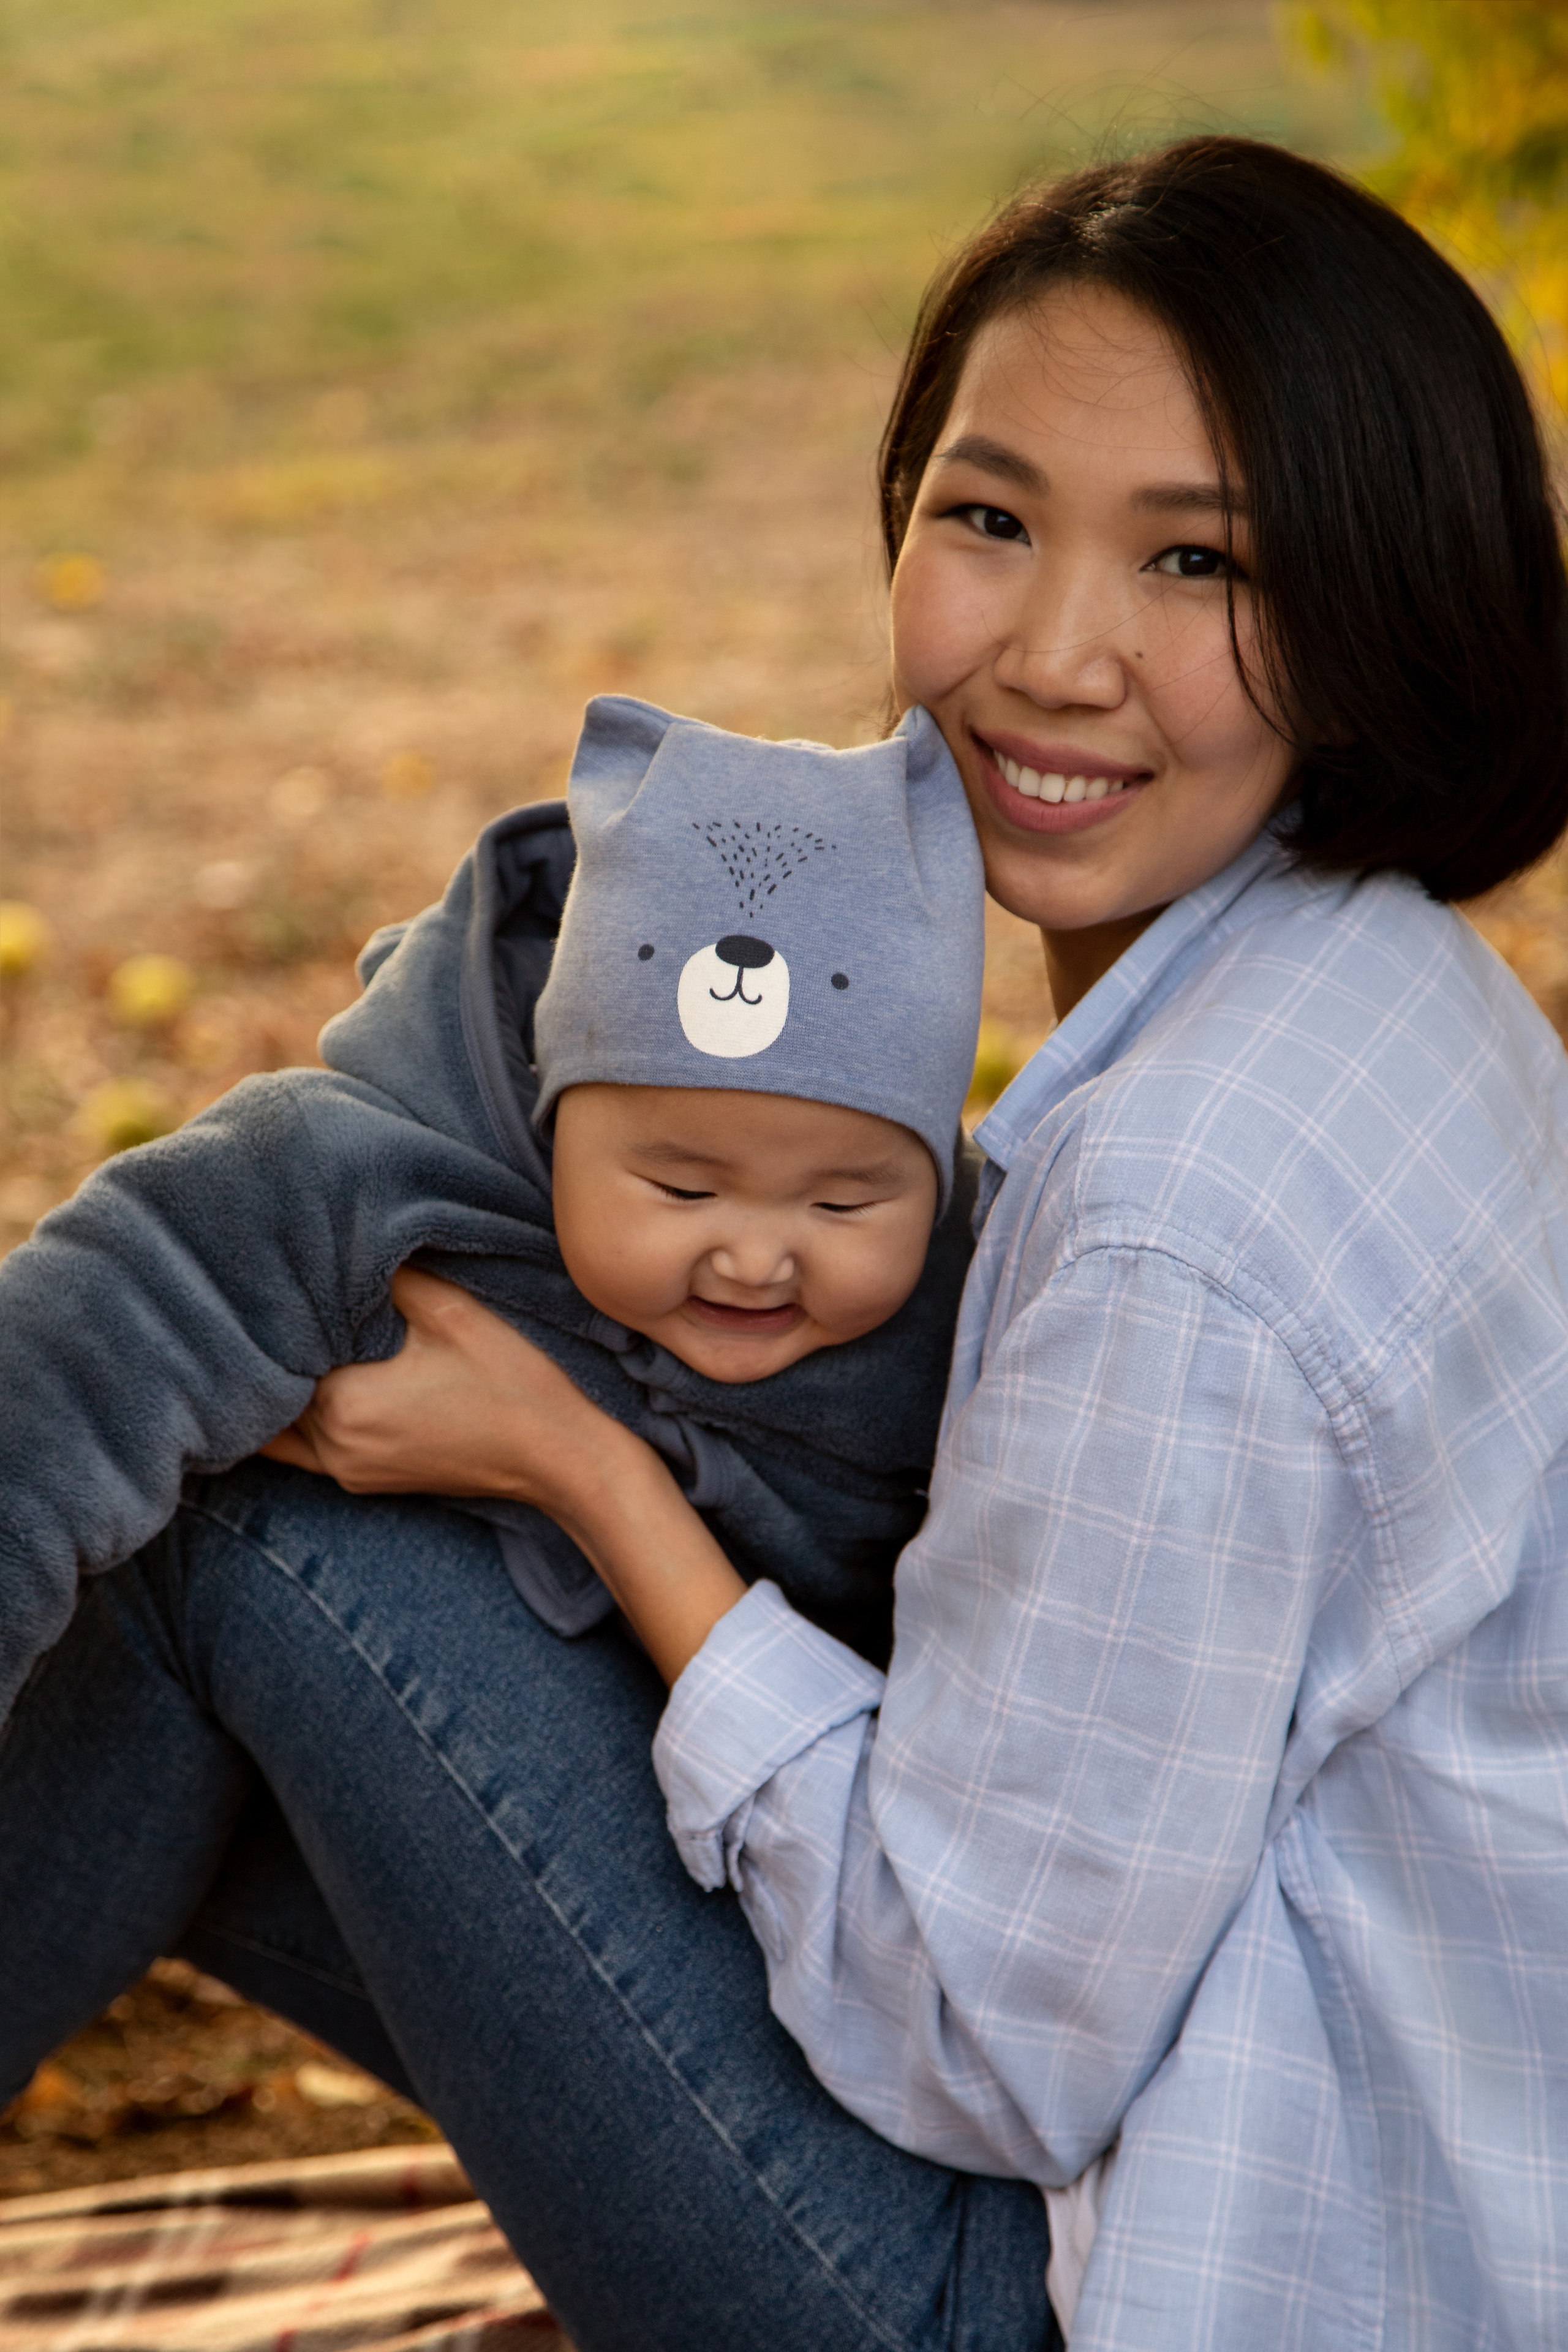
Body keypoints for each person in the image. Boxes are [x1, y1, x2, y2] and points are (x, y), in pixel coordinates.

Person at [4, 132, 1567, 2351]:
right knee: (248, 1626)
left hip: (1114, 2280)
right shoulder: (1383, 990)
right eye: (991, 517)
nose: (1053, 653)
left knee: (244, 1557)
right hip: (1311, 2140)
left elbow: (990, 2053)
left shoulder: (1174, 1222)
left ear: (1383, 596)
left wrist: (585, 1474)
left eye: (1200, 563)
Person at [0, 695, 983, 1668]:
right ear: (553, 1112)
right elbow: (69, 1361)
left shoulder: (973, 1312)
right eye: (685, 1193)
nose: (758, 1258)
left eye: (841, 1204)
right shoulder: (368, 1174)